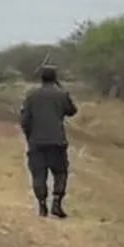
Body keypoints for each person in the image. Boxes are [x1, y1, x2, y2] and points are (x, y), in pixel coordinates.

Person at [20, 65, 78, 218]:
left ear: (41, 78)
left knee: (38, 174)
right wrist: (62, 89)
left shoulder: (31, 95)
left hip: (37, 141)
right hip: (57, 141)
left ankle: (42, 205)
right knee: (60, 172)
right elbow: (72, 111)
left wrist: (29, 135)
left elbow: (24, 120)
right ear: (55, 78)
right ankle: (57, 202)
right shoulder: (61, 94)